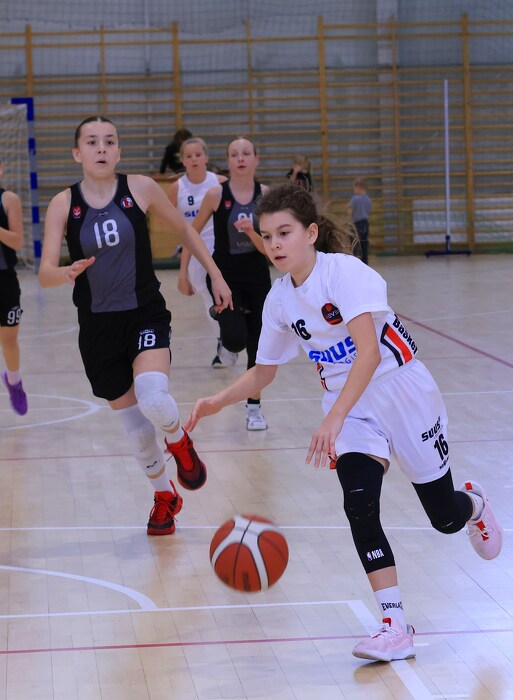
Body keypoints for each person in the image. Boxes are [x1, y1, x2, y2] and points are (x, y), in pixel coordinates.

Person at [184, 183, 503, 662]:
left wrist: (332, 419)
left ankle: (473, 505)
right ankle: (394, 625)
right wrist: (218, 401)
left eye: (284, 233)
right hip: (350, 407)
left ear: (311, 233)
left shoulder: (346, 274)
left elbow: (369, 353)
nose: (274, 245)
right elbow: (264, 371)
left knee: (443, 518)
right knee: (359, 504)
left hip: (403, 391)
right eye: (267, 236)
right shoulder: (279, 300)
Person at [39, 116, 232, 536]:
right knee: (137, 432)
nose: (102, 148)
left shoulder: (140, 188)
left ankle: (179, 440)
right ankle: (165, 496)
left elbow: (186, 229)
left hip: (144, 313)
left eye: (110, 141)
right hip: (97, 328)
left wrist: (215, 274)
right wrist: (64, 272)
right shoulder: (63, 204)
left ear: (119, 151)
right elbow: (44, 272)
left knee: (154, 397)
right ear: (77, 153)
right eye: (92, 142)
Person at [190, 136, 271, 430]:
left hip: (257, 277)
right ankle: (225, 328)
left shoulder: (266, 196)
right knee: (236, 339)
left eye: (246, 153)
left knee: (258, 348)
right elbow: (191, 233)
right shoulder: (215, 195)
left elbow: (270, 249)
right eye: (234, 154)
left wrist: (251, 232)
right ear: (228, 161)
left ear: (256, 159)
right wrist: (184, 273)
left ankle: (254, 409)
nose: (240, 158)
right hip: (224, 276)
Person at [169, 137, 236, 368]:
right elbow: (178, 228)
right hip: (196, 252)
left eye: (198, 154)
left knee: (229, 294)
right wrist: (182, 273)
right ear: (182, 160)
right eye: (189, 156)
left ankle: (230, 341)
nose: (194, 159)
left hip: (224, 248)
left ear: (206, 157)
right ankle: (224, 341)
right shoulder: (177, 188)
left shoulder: (220, 182)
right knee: (210, 300)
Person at [0, 162, 28, 416]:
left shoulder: (9, 199)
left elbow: (17, 241)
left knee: (8, 338)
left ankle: (14, 382)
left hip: (5, 279)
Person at [348, 177, 371, 264]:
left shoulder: (355, 199)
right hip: (365, 223)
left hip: (357, 224)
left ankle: (356, 263)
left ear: (359, 187)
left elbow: (350, 211)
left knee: (355, 245)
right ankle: (365, 263)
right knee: (364, 244)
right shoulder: (368, 199)